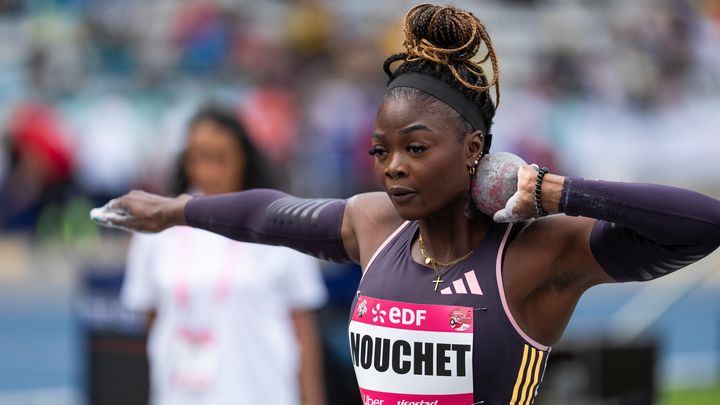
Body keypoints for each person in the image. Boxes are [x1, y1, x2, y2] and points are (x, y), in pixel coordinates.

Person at [92, 5, 720, 404]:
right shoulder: (375, 226)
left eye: (415, 148)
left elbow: (702, 225)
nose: (392, 165)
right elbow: (265, 216)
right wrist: (174, 210)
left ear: (473, 148)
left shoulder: (535, 255)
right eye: (381, 149)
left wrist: (557, 191)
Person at [119, 105, 328, 405]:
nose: (207, 171)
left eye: (219, 157)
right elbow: (150, 314)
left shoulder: (280, 222)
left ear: (243, 157)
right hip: (180, 395)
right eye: (197, 157)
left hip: (263, 392)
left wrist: (313, 399)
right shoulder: (157, 229)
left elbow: (302, 325)